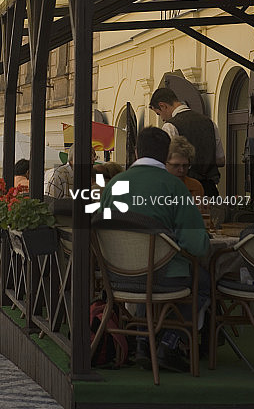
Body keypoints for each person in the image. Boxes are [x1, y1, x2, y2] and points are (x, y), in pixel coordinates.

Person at [99, 126, 209, 373]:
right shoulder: (175, 187)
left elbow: (98, 227)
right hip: (163, 278)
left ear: (137, 151)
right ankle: (168, 345)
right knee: (203, 282)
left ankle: (141, 342)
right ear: (165, 154)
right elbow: (197, 245)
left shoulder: (115, 184)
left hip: (116, 279)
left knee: (146, 272)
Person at [149, 87, 224, 197]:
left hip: (184, 190)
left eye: (158, 113)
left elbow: (167, 164)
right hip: (210, 190)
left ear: (162, 105)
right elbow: (221, 160)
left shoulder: (170, 126)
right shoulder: (209, 123)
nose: (162, 119)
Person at [166, 136, 205, 205]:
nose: (181, 170)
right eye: (176, 165)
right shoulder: (157, 187)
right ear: (165, 164)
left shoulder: (195, 187)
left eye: (185, 166)